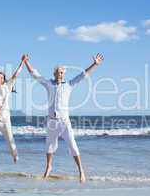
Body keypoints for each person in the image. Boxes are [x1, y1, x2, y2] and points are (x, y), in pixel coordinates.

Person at [23, 53, 104, 183]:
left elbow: (83, 75)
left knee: (72, 145)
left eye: (62, 73)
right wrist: (26, 62)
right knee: (49, 146)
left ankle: (81, 171)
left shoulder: (69, 85)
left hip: (64, 122)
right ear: (54, 73)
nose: (60, 74)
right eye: (58, 72)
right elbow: (35, 74)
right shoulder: (48, 83)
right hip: (51, 122)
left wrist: (95, 64)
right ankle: (49, 167)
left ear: (63, 74)